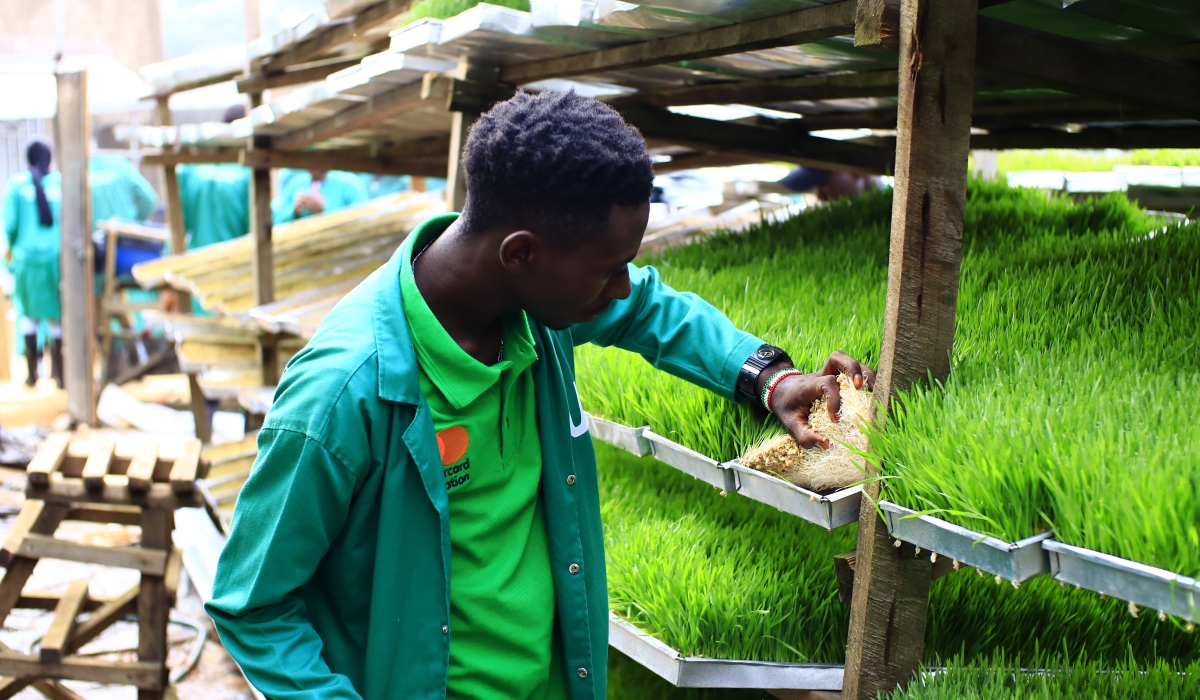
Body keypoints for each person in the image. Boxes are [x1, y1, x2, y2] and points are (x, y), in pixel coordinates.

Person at [207, 91, 875, 700]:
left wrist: (770, 378)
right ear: (521, 254)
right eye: (608, 270)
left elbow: (648, 308)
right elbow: (253, 607)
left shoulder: (532, 308)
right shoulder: (342, 394)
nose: (621, 287)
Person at [2, 137, 63, 388]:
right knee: (56, 317)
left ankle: (32, 375)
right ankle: (60, 376)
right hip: (56, 260)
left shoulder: (17, 185)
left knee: (28, 316)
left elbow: (9, 227)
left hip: (26, 262)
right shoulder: (60, 182)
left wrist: (9, 256)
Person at [271, 168, 368, 224]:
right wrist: (295, 211)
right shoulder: (296, 184)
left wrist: (324, 208)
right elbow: (275, 219)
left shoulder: (350, 184)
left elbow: (363, 220)